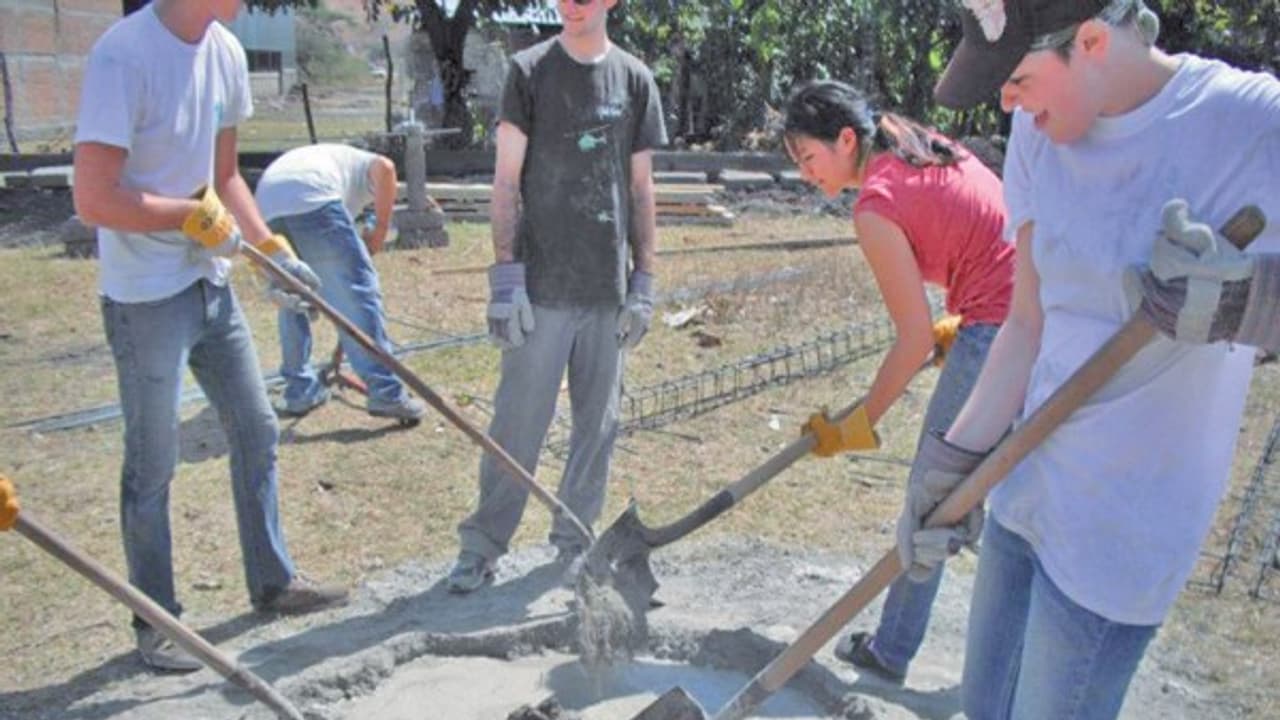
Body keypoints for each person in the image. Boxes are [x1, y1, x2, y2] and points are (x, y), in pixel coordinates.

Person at [898, 1, 1280, 717]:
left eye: (1017, 77)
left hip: (1120, 531)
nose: (1007, 101)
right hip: (1027, 494)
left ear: (1093, 40)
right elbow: (1026, 325)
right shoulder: (1039, 135)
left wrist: (1248, 302)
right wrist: (954, 463)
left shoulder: (1252, 125)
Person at [72, 0, 348, 673]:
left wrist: (269, 247)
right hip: (144, 298)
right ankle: (158, 621)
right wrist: (189, 218)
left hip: (210, 286)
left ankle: (273, 581)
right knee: (153, 462)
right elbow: (94, 197)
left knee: (256, 428)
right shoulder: (122, 55)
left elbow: (224, 177)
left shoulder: (224, 51)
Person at [781, 80, 1013, 684]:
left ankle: (889, 652)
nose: (807, 175)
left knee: (932, 497)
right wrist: (954, 325)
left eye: (809, 158)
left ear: (846, 139)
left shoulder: (874, 205)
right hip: (1033, 308)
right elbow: (980, 227)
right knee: (1004, 492)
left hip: (1001, 324)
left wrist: (856, 427)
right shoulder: (912, 141)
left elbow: (909, 343)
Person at [446, 0, 667, 594]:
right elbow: (505, 182)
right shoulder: (530, 72)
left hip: (607, 289)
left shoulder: (636, 79)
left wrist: (644, 280)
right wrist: (505, 279)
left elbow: (642, 190)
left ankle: (573, 543)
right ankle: (482, 546)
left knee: (598, 428)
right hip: (541, 287)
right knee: (518, 424)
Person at [254, 143, 428, 422]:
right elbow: (387, 168)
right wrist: (381, 228)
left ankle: (300, 390)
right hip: (311, 194)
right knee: (357, 293)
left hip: (266, 205)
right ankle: (386, 392)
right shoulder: (365, 166)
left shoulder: (337, 166)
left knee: (295, 297)